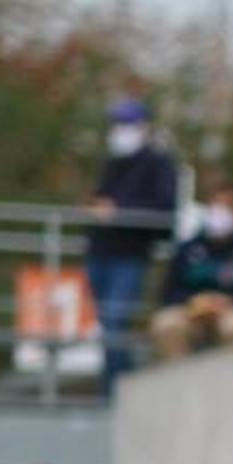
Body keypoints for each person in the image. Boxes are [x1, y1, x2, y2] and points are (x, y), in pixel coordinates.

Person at [86, 99, 179, 394]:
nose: (119, 131)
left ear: (143, 127)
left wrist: (120, 210)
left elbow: (163, 209)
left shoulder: (158, 164)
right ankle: (118, 388)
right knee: (106, 327)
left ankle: (118, 392)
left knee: (116, 322)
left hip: (129, 255)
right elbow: (99, 198)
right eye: (117, 124)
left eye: (126, 124)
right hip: (100, 251)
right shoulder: (113, 162)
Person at [149, 184, 233, 359]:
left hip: (232, 312)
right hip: (191, 312)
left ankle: (231, 383)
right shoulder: (187, 248)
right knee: (167, 324)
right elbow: (168, 294)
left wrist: (230, 303)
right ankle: (178, 382)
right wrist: (194, 302)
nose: (221, 211)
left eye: (228, 206)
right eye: (216, 204)